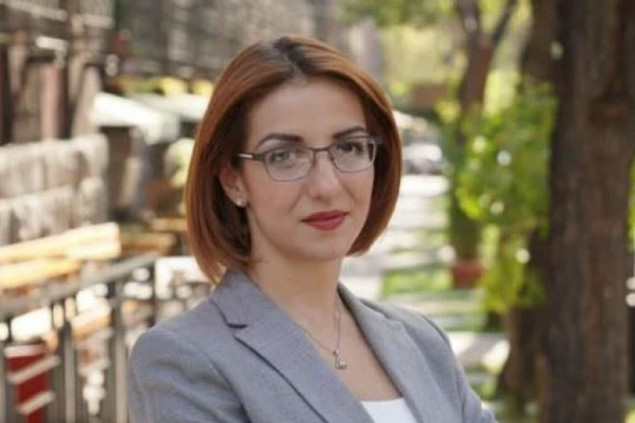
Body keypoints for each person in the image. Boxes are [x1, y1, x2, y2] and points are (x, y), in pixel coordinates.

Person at [128, 34, 496, 423]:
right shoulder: (183, 359)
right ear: (232, 180)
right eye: (284, 155)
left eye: (349, 147)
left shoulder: (421, 342)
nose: (326, 185)